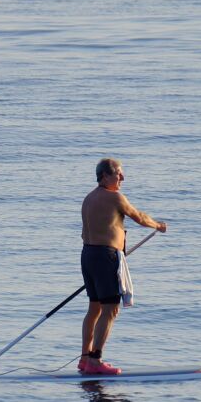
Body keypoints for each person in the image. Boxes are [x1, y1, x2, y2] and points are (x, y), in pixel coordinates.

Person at [80, 157, 167, 376]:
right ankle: (95, 360)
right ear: (105, 176)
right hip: (104, 256)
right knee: (111, 308)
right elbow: (137, 216)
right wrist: (158, 225)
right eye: (118, 173)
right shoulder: (115, 197)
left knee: (95, 307)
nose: (122, 177)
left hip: (88, 255)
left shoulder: (89, 198)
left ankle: (84, 358)